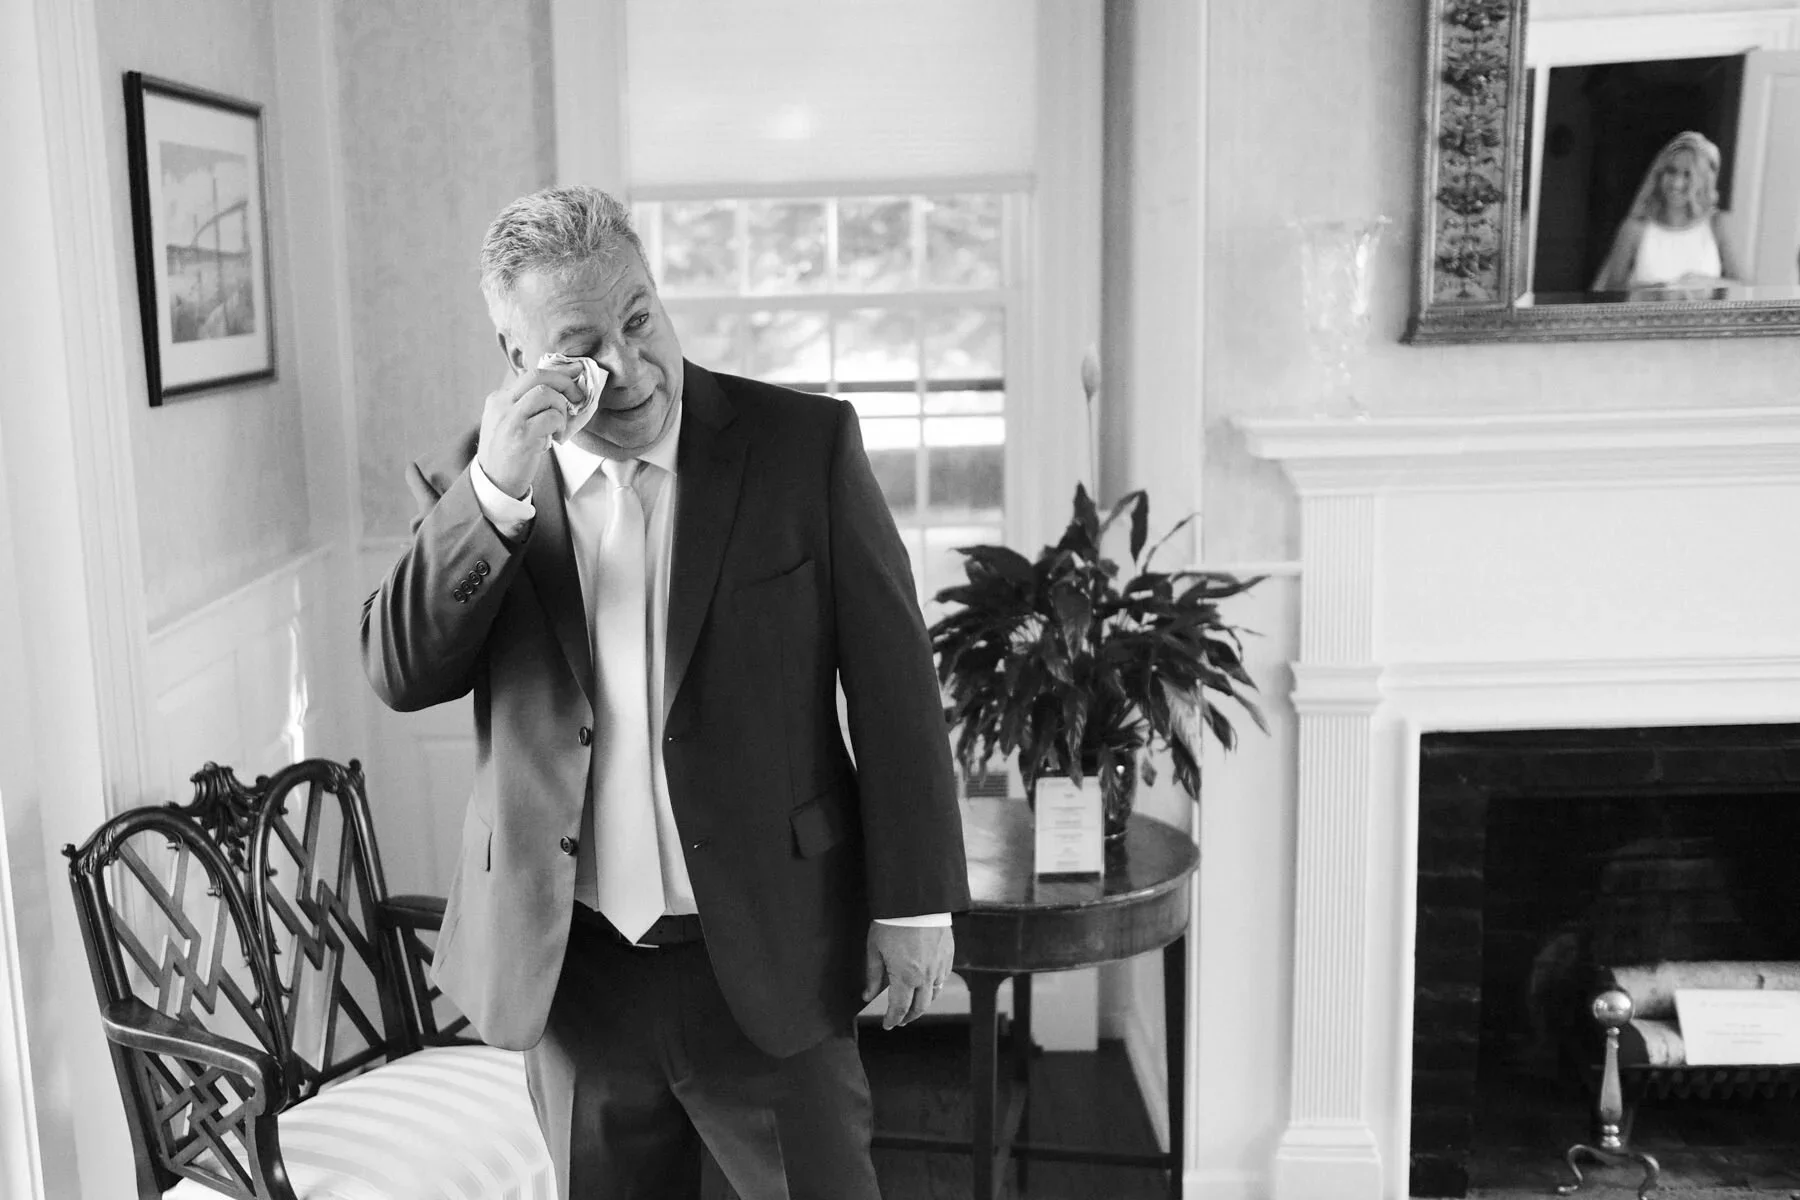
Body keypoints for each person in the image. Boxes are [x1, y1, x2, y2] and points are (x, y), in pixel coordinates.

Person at [361, 185, 970, 1200]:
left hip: (773, 948)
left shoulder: (800, 448)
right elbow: (399, 669)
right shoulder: (481, 485)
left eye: (640, 318)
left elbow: (897, 682)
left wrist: (915, 904)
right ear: (522, 361)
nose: (633, 367)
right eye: (585, 343)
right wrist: (497, 498)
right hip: (575, 972)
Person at [1591, 130, 1743, 294]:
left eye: (1687, 175)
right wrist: (1658, 291)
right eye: (1671, 171)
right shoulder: (1634, 228)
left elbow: (1744, 287)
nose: (1676, 183)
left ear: (1702, 180)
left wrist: (1705, 282)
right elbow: (1611, 291)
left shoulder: (1716, 224)